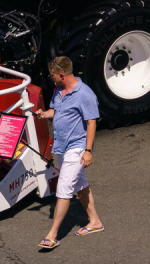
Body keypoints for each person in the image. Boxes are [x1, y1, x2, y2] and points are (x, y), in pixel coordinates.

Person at [33, 56, 103, 249]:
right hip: (62, 147)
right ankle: (95, 221)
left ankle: (52, 234)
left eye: (52, 75)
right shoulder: (58, 90)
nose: (51, 78)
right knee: (80, 184)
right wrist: (44, 114)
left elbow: (91, 123)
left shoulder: (85, 94)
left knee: (64, 188)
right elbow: (56, 111)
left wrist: (88, 151)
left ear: (62, 75)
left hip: (77, 147)